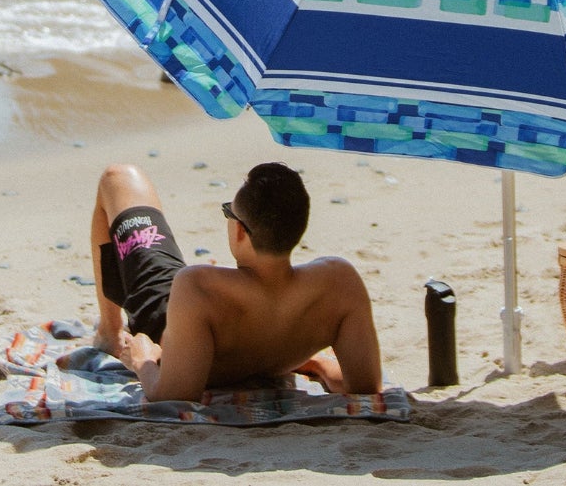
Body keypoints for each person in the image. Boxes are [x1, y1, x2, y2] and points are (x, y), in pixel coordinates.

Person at [88, 160, 382, 403]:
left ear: (240, 231)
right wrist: (319, 365)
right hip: (275, 355)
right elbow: (365, 385)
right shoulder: (339, 282)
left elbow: (171, 396)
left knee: (117, 177)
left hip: (181, 332)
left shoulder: (198, 286)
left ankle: (110, 332)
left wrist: (143, 362)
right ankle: (305, 363)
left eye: (229, 211)